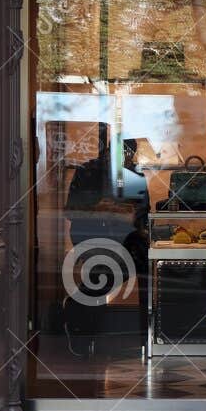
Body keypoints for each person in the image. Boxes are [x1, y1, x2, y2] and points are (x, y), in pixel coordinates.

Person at [63, 133, 149, 359]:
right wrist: (100, 209)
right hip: (92, 233)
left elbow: (143, 216)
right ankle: (80, 321)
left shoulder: (135, 175)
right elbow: (71, 212)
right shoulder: (87, 171)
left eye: (130, 157)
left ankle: (80, 315)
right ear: (110, 152)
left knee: (144, 261)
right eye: (124, 156)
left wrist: (128, 216)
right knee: (104, 269)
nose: (127, 161)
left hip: (125, 235)